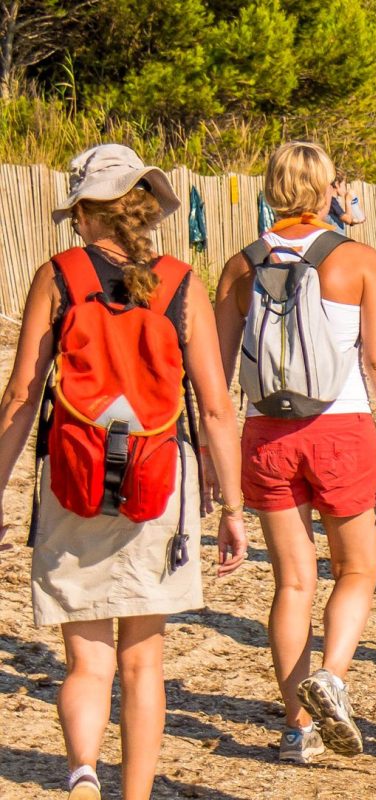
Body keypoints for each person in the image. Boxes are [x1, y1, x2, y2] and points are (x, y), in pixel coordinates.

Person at [0, 144, 248, 800]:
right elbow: (216, 407)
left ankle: (83, 769)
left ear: (85, 212)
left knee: (86, 660)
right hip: (158, 482)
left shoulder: (57, 276)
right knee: (143, 663)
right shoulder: (180, 283)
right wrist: (233, 508)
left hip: (71, 480)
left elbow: (22, 395)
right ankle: (133, 794)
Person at [213, 141, 376, 764]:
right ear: (329, 190)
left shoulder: (239, 266)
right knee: (356, 569)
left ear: (269, 188)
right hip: (342, 430)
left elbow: (219, 375)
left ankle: (298, 728)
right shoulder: (356, 260)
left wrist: (213, 455)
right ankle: (333, 675)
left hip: (267, 433)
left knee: (293, 582)